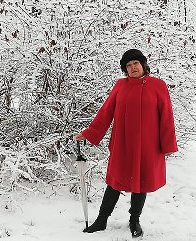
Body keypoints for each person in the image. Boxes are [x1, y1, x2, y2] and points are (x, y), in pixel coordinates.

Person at [75, 49, 178, 238]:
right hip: (122, 144)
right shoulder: (120, 86)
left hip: (148, 145)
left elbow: (166, 117)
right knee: (115, 181)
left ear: (143, 65)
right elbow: (106, 111)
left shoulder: (158, 86)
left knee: (141, 182)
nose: (133, 68)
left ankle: (134, 220)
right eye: (128, 66)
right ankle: (102, 219)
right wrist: (89, 133)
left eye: (136, 64)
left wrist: (168, 145)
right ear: (125, 70)